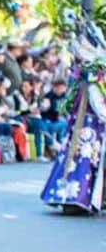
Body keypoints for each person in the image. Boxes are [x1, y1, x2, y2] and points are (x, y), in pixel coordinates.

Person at [41, 16, 106, 213]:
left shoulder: (90, 80)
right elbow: (98, 105)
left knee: (84, 159)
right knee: (84, 158)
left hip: (90, 124)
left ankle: (84, 196)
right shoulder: (92, 81)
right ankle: (75, 196)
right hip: (90, 125)